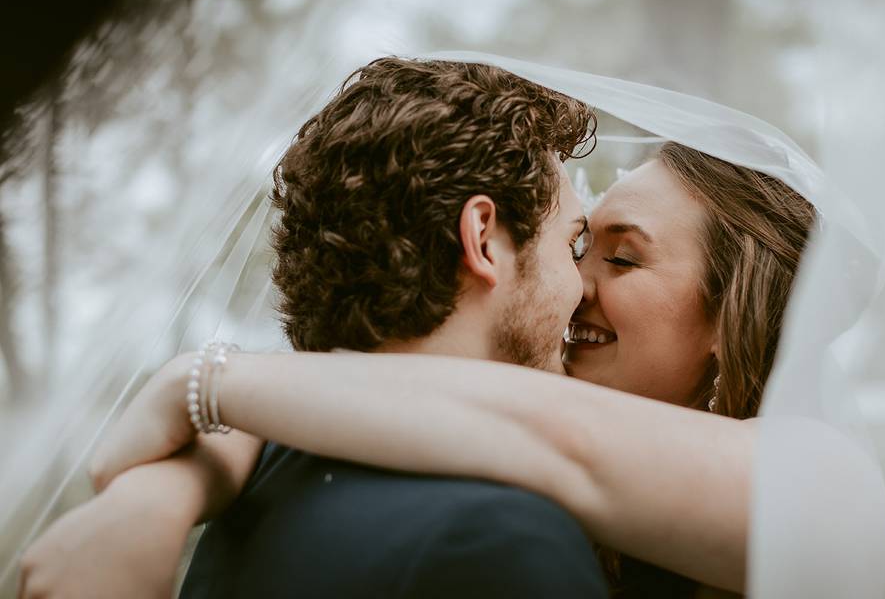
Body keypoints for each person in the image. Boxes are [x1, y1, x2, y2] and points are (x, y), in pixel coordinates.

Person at [19, 56, 820, 598]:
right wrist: (176, 465)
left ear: (732, 310)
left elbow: (544, 439)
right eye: (577, 244)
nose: (580, 287)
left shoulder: (813, 487)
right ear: (481, 238)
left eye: (624, 257)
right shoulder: (496, 537)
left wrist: (204, 387)